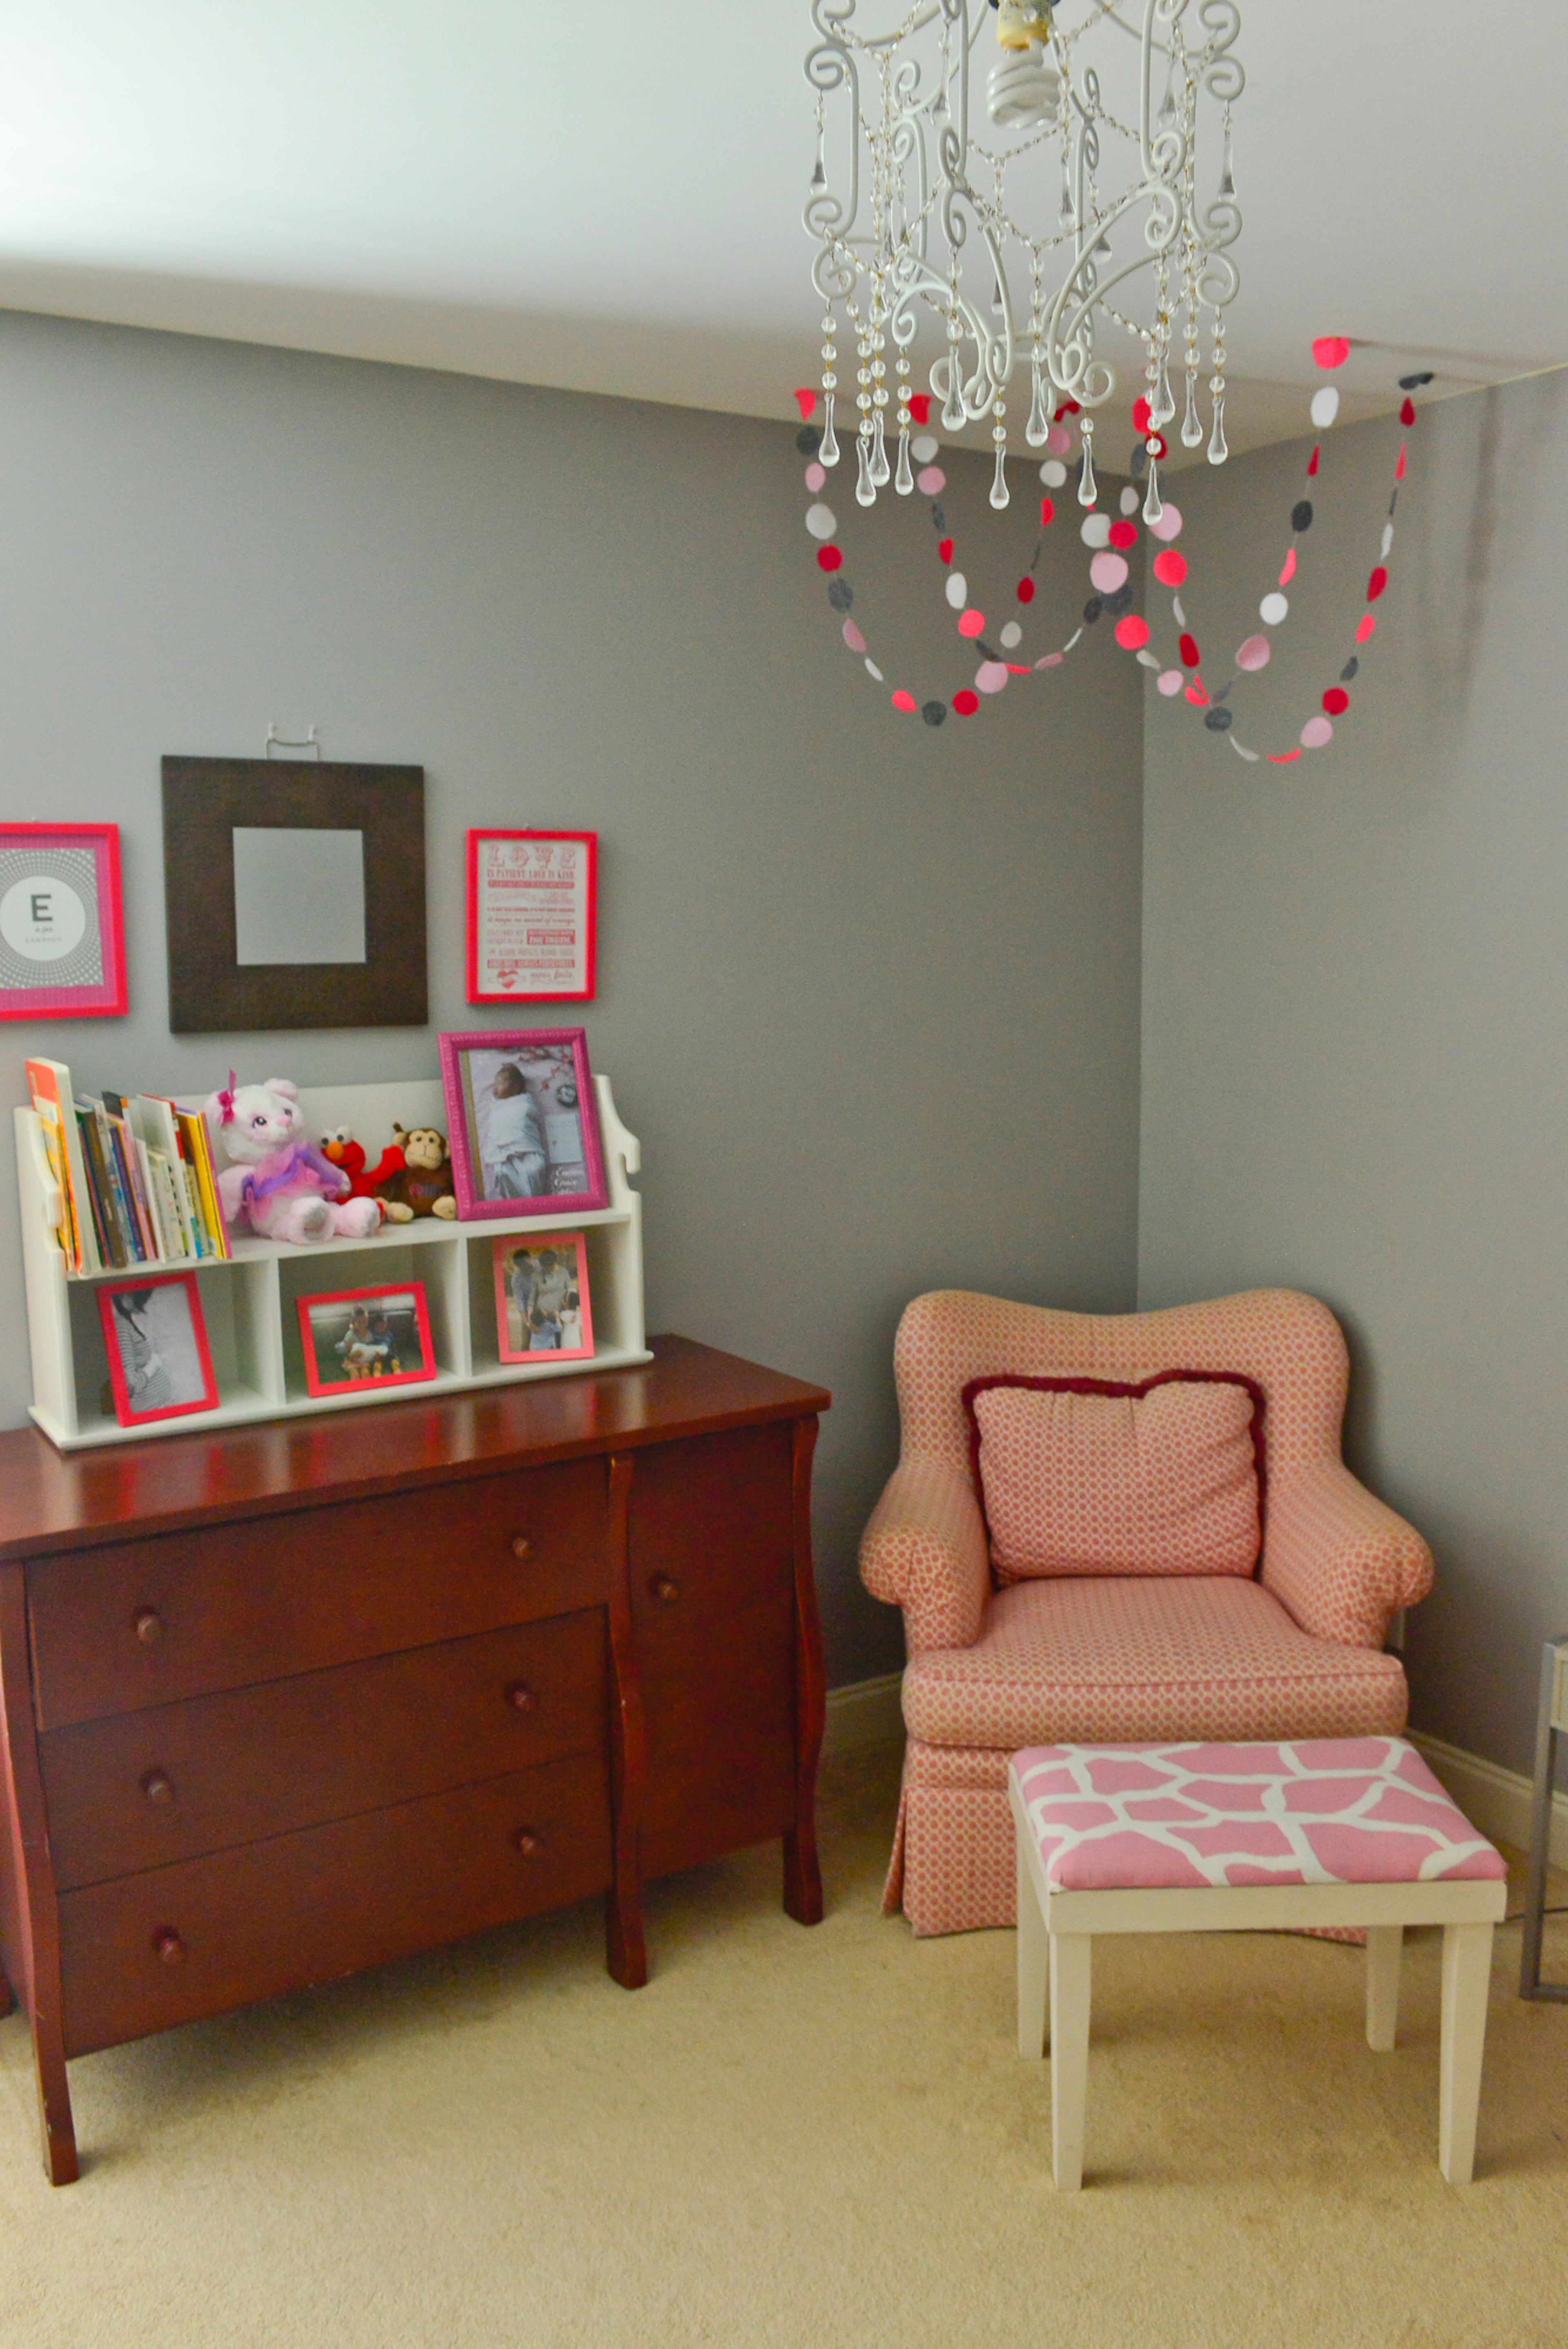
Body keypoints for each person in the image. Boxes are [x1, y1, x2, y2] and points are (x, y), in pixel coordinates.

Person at [487, 1064, 548, 1198]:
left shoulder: (525, 1102)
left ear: (515, 1086)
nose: (495, 1088)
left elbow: (534, 1117)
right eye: (495, 1084)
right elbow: (495, 1121)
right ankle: (514, 1203)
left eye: (500, 1083)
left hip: (527, 1147)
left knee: (536, 1169)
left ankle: (534, 1199)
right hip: (504, 1151)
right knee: (503, 1173)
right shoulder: (497, 1105)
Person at [112, 1289, 174, 1411]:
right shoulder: (121, 1327)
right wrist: (152, 1367)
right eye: (143, 1299)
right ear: (125, 1296)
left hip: (157, 1407)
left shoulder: (127, 1321)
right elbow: (129, 1387)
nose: (146, 1304)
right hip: (148, 1410)